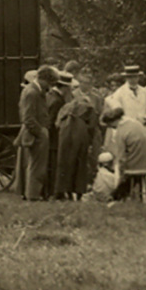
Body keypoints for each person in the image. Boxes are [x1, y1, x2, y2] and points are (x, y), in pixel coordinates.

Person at [54, 69, 98, 200]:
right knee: (80, 162)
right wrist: (89, 140)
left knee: (65, 162)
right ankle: (78, 192)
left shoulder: (66, 105)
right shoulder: (89, 105)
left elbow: (57, 122)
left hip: (66, 133)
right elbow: (92, 125)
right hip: (80, 133)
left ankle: (64, 191)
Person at [17, 65, 59, 201]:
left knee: (36, 166)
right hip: (36, 134)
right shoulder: (32, 93)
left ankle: (32, 194)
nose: (51, 87)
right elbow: (28, 118)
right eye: (50, 83)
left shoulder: (34, 91)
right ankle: (33, 196)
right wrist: (40, 133)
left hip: (37, 132)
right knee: (36, 167)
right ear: (43, 79)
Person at [101, 105, 146, 203]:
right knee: (133, 175)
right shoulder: (135, 123)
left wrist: (118, 170)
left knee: (120, 169)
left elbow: (121, 157)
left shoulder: (121, 131)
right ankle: (127, 196)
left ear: (112, 121)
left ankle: (115, 197)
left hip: (135, 165)